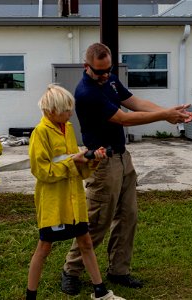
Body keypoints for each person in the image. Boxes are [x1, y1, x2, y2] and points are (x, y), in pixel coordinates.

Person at [61, 42, 192, 294]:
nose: (104, 75)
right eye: (99, 71)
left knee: (128, 216)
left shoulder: (110, 80)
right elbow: (123, 118)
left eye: (107, 70)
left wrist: (169, 111)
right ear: (86, 67)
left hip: (123, 158)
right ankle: (71, 270)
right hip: (101, 163)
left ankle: (119, 270)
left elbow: (134, 102)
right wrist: (164, 116)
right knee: (97, 221)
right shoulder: (86, 92)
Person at [26, 84, 125, 300]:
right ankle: (30, 295)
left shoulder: (68, 128)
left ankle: (100, 291)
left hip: (74, 199)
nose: (70, 114)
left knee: (86, 242)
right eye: (66, 110)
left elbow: (76, 166)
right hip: (54, 201)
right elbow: (42, 171)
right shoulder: (40, 133)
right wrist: (75, 162)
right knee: (44, 247)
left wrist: (91, 161)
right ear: (50, 111)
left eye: (71, 109)